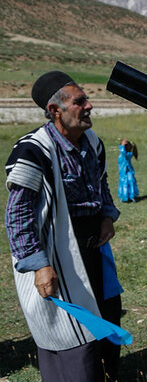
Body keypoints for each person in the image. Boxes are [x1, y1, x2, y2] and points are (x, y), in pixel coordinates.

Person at [4, 71, 122, 381]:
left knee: (106, 314)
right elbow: (18, 215)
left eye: (87, 99)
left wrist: (107, 215)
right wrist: (39, 265)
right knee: (71, 331)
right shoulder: (32, 150)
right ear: (56, 110)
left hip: (93, 245)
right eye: (80, 101)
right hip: (55, 253)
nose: (90, 106)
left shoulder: (93, 143)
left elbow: (102, 182)